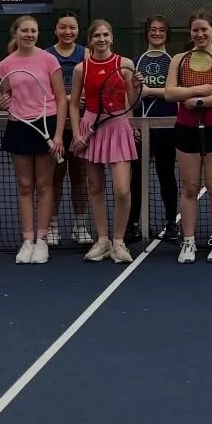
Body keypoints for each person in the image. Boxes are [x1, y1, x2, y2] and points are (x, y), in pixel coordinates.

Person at [165, 9, 212, 264]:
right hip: (185, 129)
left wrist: (195, 101)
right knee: (189, 187)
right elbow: (170, 93)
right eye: (195, 30)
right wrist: (199, 91)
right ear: (190, 32)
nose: (200, 34)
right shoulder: (178, 59)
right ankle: (188, 242)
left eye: (204, 29)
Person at [0, 14, 68, 265]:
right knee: (25, 185)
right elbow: (4, 97)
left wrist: (58, 134)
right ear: (15, 33)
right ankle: (28, 240)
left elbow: (61, 99)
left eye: (33, 31)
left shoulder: (49, 59)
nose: (29, 34)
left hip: (46, 123)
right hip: (19, 126)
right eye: (24, 30)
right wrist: (1, 102)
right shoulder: (5, 64)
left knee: (44, 185)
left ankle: (42, 240)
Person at [67, 19, 138, 265]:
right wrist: (77, 133)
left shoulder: (125, 64)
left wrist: (130, 119)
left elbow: (131, 100)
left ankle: (119, 241)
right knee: (95, 187)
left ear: (111, 37)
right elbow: (74, 103)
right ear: (90, 39)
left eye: (106, 34)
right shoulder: (81, 69)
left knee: (122, 189)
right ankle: (103, 239)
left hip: (117, 127)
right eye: (97, 35)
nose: (102, 39)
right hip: (90, 128)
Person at [47, 11, 91, 247]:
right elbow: (44, 90)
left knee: (80, 177)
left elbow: (92, 85)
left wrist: (82, 97)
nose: (67, 32)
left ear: (77, 30)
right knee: (54, 178)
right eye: (63, 27)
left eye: (72, 27)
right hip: (54, 126)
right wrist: (68, 97)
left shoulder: (86, 54)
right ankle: (52, 226)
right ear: (56, 30)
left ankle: (80, 225)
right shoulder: (46, 56)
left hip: (80, 126)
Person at [133, 15, 179, 242]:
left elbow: (175, 92)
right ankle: (133, 223)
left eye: (161, 29)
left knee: (166, 174)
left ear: (167, 33)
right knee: (136, 177)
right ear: (147, 33)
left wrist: (151, 91)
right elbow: (131, 97)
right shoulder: (136, 61)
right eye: (153, 29)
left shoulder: (175, 61)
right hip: (141, 125)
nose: (157, 33)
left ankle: (172, 223)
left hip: (167, 124)